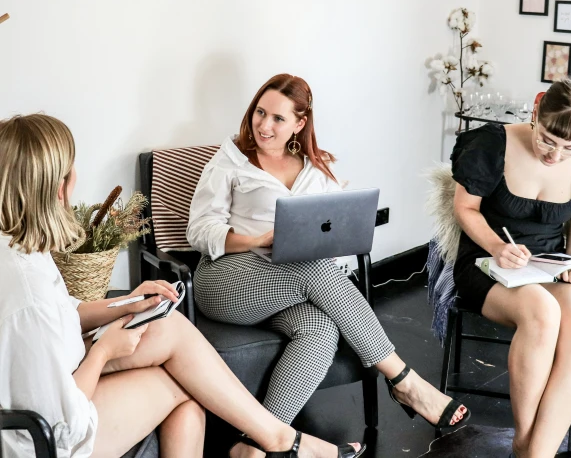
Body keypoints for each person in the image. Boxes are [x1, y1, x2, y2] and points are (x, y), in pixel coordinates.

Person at [0, 113, 366, 458]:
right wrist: (103, 353)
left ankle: (274, 437)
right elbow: (63, 426)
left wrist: (127, 302)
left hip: (62, 378)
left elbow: (65, 313)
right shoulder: (27, 297)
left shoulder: (20, 247)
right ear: (57, 188)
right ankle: (280, 438)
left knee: (168, 328)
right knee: (184, 388)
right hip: (48, 438)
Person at [188, 74, 470, 458]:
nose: (264, 125)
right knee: (314, 271)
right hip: (226, 279)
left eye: (277, 118)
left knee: (320, 329)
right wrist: (259, 239)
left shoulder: (316, 169)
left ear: (300, 124)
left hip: (286, 286)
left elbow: (330, 232)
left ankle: (254, 446)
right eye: (260, 112)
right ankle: (405, 382)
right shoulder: (231, 161)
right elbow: (199, 231)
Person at [451, 80, 571, 458]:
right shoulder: (492, 144)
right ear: (536, 111)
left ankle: (537, 453)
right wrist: (498, 246)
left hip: (548, 265)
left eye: (569, 148)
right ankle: (525, 441)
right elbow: (465, 209)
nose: (555, 156)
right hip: (487, 261)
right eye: (547, 140)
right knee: (543, 314)